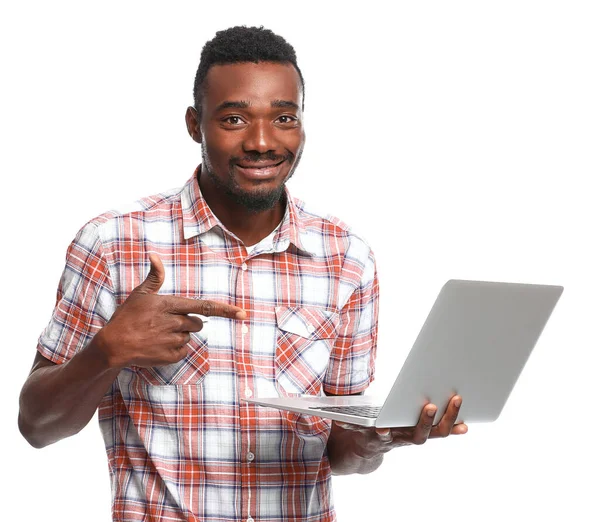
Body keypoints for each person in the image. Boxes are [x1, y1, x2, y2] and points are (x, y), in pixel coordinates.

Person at [18, 26, 467, 522]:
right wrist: (107, 351)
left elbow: (339, 451)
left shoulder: (347, 258)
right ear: (195, 124)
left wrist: (383, 437)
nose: (261, 142)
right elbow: (37, 425)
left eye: (283, 118)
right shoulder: (115, 243)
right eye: (234, 118)